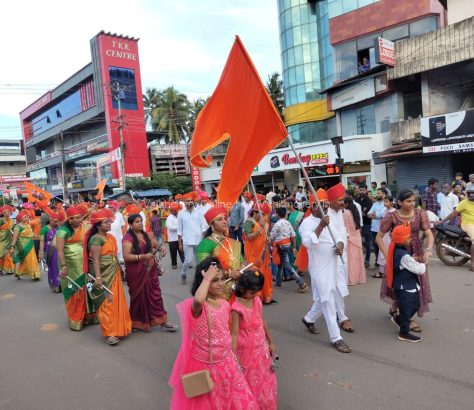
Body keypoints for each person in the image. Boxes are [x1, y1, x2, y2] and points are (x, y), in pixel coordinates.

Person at [169, 257, 257, 409]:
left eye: (222, 279)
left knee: (239, 401)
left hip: (226, 362)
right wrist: (207, 278)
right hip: (206, 366)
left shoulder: (223, 303)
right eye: (215, 280)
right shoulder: (199, 307)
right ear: (203, 281)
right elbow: (198, 299)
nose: (221, 283)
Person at [299, 183, 352, 353]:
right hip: (319, 268)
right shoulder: (306, 223)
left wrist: (341, 246)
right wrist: (321, 226)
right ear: (313, 206)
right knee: (327, 299)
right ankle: (336, 337)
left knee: (326, 297)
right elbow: (307, 243)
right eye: (321, 205)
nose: (324, 208)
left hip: (335, 264)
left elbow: (341, 236)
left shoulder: (331, 218)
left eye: (326, 205)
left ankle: (308, 319)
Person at [376, 190, 434, 331]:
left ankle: (397, 311)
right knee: (401, 284)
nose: (412, 204)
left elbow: (429, 233)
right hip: (399, 254)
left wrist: (428, 250)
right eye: (408, 201)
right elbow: (379, 237)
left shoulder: (420, 214)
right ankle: (406, 317)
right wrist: (388, 255)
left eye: (414, 200)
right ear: (400, 202)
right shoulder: (392, 216)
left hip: (417, 253)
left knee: (415, 284)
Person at [123, 213, 177, 332]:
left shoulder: (146, 234)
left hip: (150, 271)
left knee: (155, 295)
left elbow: (154, 243)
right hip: (136, 273)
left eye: (141, 221)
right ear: (131, 224)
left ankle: (162, 321)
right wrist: (142, 257)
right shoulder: (128, 238)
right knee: (138, 297)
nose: (140, 223)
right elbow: (126, 256)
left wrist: (162, 248)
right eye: (137, 222)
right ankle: (137, 323)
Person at [231, 271, 277, 409]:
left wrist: (271, 341)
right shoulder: (236, 309)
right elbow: (234, 334)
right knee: (249, 384)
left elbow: (262, 322)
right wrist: (232, 358)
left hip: (261, 351)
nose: (255, 295)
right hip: (245, 354)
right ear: (242, 289)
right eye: (252, 292)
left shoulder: (256, 301)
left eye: (256, 292)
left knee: (265, 383)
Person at [86, 209, 132, 345]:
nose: (109, 223)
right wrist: (98, 278)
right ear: (98, 225)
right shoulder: (95, 239)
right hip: (102, 275)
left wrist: (120, 269)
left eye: (109, 221)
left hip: (114, 273)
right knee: (106, 304)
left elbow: (114, 256)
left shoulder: (110, 237)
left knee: (116, 301)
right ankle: (109, 333)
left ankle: (119, 328)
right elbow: (95, 260)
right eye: (106, 222)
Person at [56, 206, 97, 330]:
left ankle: (88, 317)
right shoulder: (62, 231)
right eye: (77, 218)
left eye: (81, 217)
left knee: (87, 289)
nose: (80, 219)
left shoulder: (83, 227)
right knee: (73, 290)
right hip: (70, 265)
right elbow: (60, 250)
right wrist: (63, 266)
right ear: (69, 219)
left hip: (84, 263)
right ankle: (76, 320)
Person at [386, 224, 425, 343]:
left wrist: (412, 260)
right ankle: (403, 333)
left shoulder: (396, 250)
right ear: (402, 240)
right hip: (405, 287)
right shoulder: (403, 256)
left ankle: (399, 319)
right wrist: (424, 263)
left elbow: (406, 263)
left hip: (404, 285)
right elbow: (420, 270)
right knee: (407, 309)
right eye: (408, 237)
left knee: (415, 305)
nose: (410, 239)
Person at [196, 207, 243, 300]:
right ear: (211, 224)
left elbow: (241, 260)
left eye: (225, 219)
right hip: (217, 291)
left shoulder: (232, 242)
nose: (225, 221)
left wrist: (242, 269)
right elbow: (204, 269)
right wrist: (229, 273)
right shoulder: (205, 244)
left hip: (237, 289)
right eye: (219, 219)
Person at [243, 203, 276, 304]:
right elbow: (248, 237)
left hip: (264, 252)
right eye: (262, 214)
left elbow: (267, 235)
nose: (265, 217)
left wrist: (269, 238)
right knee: (254, 273)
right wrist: (259, 229)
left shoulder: (264, 223)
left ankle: (266, 296)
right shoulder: (248, 222)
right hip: (252, 253)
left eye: (265, 215)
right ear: (255, 212)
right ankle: (256, 297)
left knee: (265, 273)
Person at [270, 207, 308, 293]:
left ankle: (301, 283)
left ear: (278, 214)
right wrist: (294, 247)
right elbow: (293, 235)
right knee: (281, 264)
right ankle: (278, 282)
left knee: (287, 266)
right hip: (287, 245)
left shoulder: (277, 224)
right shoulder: (288, 223)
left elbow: (271, 236)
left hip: (280, 246)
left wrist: (269, 243)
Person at [440, 186, 474, 272]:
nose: (471, 195)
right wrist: (443, 221)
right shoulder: (464, 202)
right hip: (468, 224)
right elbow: (454, 214)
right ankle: (472, 263)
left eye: (473, 193)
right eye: (470, 193)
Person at [177, 194, 206, 285]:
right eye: (187, 201)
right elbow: (179, 230)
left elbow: (203, 226)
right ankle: (183, 274)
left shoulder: (199, 212)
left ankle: (198, 278)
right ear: (185, 203)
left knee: (199, 261)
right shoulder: (181, 213)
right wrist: (180, 243)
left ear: (193, 202)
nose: (189, 202)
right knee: (188, 261)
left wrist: (205, 239)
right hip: (187, 241)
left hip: (199, 240)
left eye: (191, 201)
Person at [10, 210, 41, 280]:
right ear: (20, 219)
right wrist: (12, 246)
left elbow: (31, 234)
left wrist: (38, 236)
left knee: (31, 259)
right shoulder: (17, 227)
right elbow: (15, 238)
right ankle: (34, 274)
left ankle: (19, 272)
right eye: (24, 217)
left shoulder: (28, 225)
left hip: (30, 243)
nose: (27, 218)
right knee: (29, 259)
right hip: (23, 246)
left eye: (27, 217)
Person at [39, 211, 65, 293]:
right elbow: (42, 241)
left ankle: (62, 284)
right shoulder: (44, 229)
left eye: (58, 221)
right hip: (50, 252)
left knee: (60, 268)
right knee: (53, 268)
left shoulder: (60, 229)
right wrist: (41, 252)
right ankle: (56, 284)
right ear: (50, 220)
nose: (56, 223)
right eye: (55, 221)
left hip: (60, 251)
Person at [343, 197, 366, 285]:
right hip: (356, 237)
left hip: (350, 239)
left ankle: (351, 279)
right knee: (357, 260)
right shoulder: (355, 210)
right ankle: (358, 278)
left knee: (351, 260)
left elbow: (345, 226)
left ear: (346, 204)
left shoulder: (345, 212)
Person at [376, 196, 396, 277]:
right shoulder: (385, 211)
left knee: (389, 251)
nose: (385, 203)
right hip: (382, 235)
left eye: (386, 201)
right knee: (382, 251)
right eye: (384, 201)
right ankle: (382, 271)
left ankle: (390, 271)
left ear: (391, 202)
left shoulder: (394, 212)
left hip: (389, 235)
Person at [367, 188, 387, 270]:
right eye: (377, 193)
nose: (376, 195)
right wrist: (374, 215)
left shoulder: (386, 204)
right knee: (375, 246)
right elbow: (368, 214)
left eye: (379, 193)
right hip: (374, 228)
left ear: (384, 194)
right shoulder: (375, 204)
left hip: (382, 229)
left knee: (383, 246)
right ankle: (378, 262)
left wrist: (375, 215)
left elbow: (381, 215)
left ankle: (384, 262)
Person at [355, 183, 375, 268]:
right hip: (358, 224)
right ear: (358, 190)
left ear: (366, 190)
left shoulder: (369, 201)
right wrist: (361, 212)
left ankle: (367, 260)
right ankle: (358, 260)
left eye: (363, 190)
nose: (362, 191)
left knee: (367, 243)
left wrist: (362, 212)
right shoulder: (356, 200)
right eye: (361, 190)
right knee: (358, 243)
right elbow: (356, 212)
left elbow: (364, 213)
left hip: (367, 224)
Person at [166, 202, 184, 269]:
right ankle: (174, 264)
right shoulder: (169, 218)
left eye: (176, 210)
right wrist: (179, 227)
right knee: (173, 253)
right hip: (172, 239)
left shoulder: (179, 216)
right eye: (174, 210)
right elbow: (170, 228)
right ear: (171, 210)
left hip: (180, 237)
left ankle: (185, 262)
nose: (175, 211)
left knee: (182, 251)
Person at [0, 205, 15, 275]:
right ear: (3, 213)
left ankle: (9, 269)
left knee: (9, 255)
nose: (9, 213)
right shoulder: (1, 220)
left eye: (9, 211)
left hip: (10, 239)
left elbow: (13, 229)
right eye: (7, 211)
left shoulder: (12, 220)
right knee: (1, 255)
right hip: (2, 240)